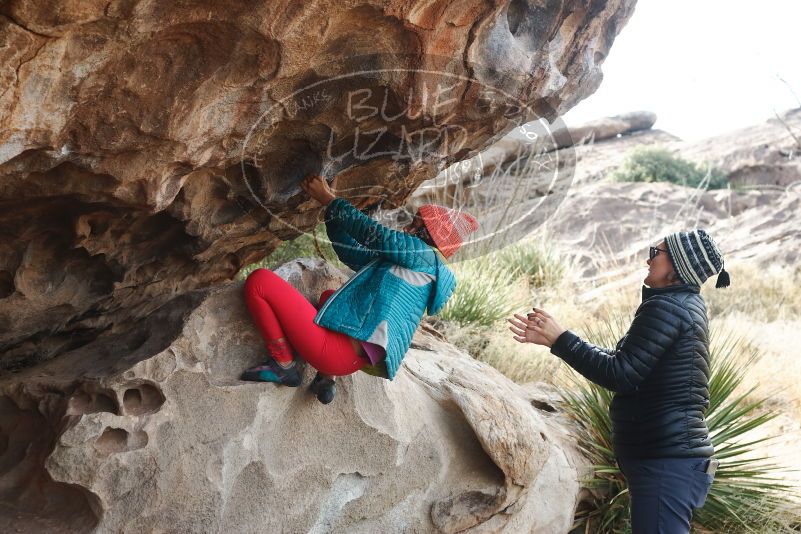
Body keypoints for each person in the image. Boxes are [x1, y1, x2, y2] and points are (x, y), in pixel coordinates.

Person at [507, 229, 730, 534]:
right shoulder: (681, 306)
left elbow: (620, 373)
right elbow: (626, 364)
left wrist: (561, 340)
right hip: (671, 461)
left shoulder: (668, 308)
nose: (648, 259)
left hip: (666, 462)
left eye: (657, 252)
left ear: (677, 266)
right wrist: (556, 340)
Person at [240, 174, 479, 404]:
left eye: (414, 226)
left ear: (427, 236)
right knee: (329, 298)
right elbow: (351, 251)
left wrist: (328, 199)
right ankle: (326, 380)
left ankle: (283, 366)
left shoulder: (420, 254)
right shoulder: (414, 269)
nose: (406, 230)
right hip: (351, 360)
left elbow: (372, 234)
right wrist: (332, 210)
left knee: (260, 281)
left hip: (333, 352)